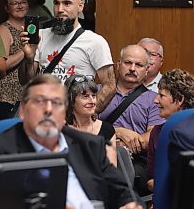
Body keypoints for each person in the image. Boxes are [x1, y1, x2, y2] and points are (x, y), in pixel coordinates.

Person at [0, 74, 141, 209]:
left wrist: (129, 203)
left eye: (57, 103)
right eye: (40, 102)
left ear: (64, 111)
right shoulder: (1, 148)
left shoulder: (89, 145)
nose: (49, 109)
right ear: (22, 111)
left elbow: (122, 190)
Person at [19, 0, 116, 112]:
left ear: (80, 6)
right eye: (56, 3)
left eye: (67, 3)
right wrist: (29, 57)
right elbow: (28, 82)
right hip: (45, 113)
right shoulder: (41, 36)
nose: (60, 9)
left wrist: (88, 114)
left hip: (76, 117)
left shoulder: (95, 42)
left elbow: (109, 86)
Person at [98, 45, 164, 196]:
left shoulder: (153, 100)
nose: (132, 68)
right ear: (118, 64)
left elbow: (150, 137)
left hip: (134, 162)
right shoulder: (97, 91)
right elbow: (80, 126)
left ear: (147, 70)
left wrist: (120, 146)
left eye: (139, 65)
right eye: (128, 63)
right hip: (97, 154)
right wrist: (118, 132)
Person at [146, 69, 194, 191]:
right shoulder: (157, 132)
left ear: (179, 100)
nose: (155, 100)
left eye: (161, 95)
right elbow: (150, 179)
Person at [0, 0, 28, 120]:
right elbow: (2, 64)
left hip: (25, 95)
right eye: (15, 3)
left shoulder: (33, 29)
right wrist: (25, 52)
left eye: (23, 2)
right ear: (7, 8)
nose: (20, 6)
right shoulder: (3, 29)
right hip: (6, 96)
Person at [64, 74, 117, 166]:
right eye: (85, 96)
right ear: (71, 101)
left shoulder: (107, 130)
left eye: (93, 96)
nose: (92, 101)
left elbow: (111, 170)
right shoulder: (61, 129)